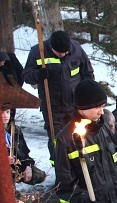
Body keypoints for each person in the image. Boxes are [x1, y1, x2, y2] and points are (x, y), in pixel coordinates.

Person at [22, 30, 95, 163]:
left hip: (75, 104)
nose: (63, 54)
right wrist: (38, 75)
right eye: (60, 52)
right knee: (58, 139)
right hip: (52, 106)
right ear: (51, 47)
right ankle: (60, 168)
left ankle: (80, 166)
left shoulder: (76, 50)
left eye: (66, 52)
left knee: (79, 134)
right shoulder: (38, 52)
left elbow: (88, 74)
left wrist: (87, 96)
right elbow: (27, 76)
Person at [1, 104, 46, 185]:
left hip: (15, 164)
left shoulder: (14, 129)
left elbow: (24, 152)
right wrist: (3, 160)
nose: (5, 116)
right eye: (2, 113)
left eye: (7, 112)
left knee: (38, 175)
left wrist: (27, 166)